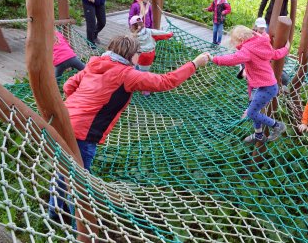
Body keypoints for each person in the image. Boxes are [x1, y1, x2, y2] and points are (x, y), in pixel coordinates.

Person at [48, 35, 210, 220]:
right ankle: (78, 224)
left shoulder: (95, 63)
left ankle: (54, 211)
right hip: (83, 133)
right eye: (138, 54)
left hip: (63, 122)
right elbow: (166, 81)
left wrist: (79, 106)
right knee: (79, 178)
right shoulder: (127, 75)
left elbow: (69, 85)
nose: (139, 57)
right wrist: (194, 64)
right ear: (131, 55)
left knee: (62, 167)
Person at [211, 25, 290, 143]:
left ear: (241, 39)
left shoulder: (247, 50)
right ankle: (258, 134)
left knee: (251, 113)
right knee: (254, 110)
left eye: (235, 41)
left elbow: (233, 59)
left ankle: (277, 125)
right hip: (266, 86)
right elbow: (275, 54)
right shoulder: (260, 45)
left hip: (267, 87)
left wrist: (214, 59)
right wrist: (286, 49)